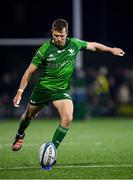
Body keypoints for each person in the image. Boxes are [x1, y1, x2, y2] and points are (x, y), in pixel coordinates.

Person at [12, 19, 125, 152]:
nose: (59, 39)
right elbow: (29, 72)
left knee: (68, 117)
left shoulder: (74, 44)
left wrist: (111, 49)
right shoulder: (45, 49)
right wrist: (20, 92)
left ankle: (51, 150)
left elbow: (93, 45)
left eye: (62, 36)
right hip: (43, 89)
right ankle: (20, 134)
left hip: (61, 91)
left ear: (67, 33)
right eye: (56, 36)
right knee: (28, 116)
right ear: (52, 33)